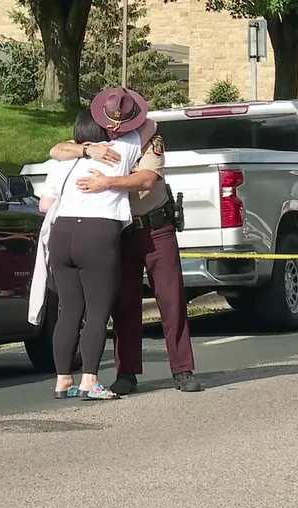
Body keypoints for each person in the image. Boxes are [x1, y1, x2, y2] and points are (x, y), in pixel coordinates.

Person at [49, 87, 203, 394]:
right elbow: (56, 150)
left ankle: (182, 370)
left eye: (122, 120)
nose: (115, 127)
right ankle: (127, 372)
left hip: (154, 227)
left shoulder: (148, 140)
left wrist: (108, 183)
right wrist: (86, 150)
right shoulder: (96, 140)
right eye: (110, 120)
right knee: (124, 303)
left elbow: (146, 179)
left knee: (171, 300)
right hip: (118, 232)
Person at [29, 107, 156, 400]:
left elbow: (45, 205)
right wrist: (121, 118)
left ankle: (62, 381)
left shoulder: (63, 161)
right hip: (98, 235)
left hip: (62, 234)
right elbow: (150, 123)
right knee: (97, 313)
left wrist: (83, 151)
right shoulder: (119, 150)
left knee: (69, 311)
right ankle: (90, 381)